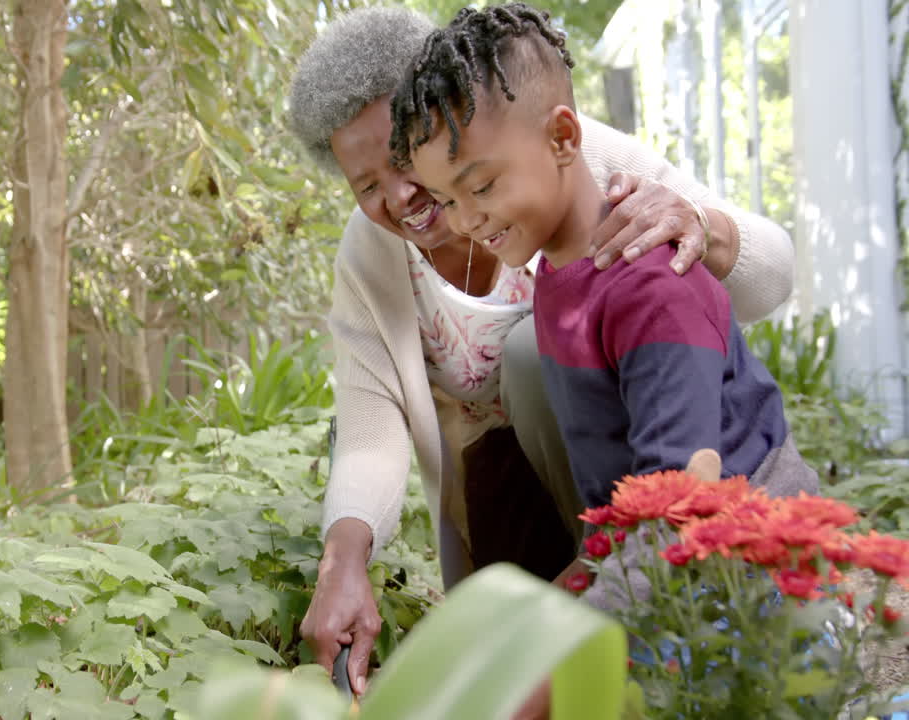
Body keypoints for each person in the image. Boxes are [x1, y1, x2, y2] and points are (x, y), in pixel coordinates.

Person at [286, 4, 797, 699]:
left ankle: (616, 615)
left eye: (402, 160)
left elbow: (772, 274)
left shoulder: (564, 163)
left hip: (665, 498)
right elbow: (370, 430)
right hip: (526, 512)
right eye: (366, 185)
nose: (401, 197)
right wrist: (342, 560)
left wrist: (701, 227)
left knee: (529, 356)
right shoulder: (380, 254)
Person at [390, 2, 819, 611]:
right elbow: (626, 511)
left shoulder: (651, 289)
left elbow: (677, 513)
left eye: (481, 186)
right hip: (661, 560)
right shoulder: (559, 277)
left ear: (563, 138)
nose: (466, 220)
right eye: (447, 199)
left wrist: (562, 630)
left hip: (754, 582)